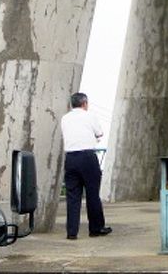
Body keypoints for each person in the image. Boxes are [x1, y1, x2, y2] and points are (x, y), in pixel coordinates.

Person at [60, 92, 112, 240]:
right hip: (87, 157)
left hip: (70, 158)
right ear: (84, 103)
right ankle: (96, 228)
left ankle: (72, 232)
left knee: (72, 196)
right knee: (92, 194)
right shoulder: (90, 116)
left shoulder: (65, 118)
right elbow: (99, 133)